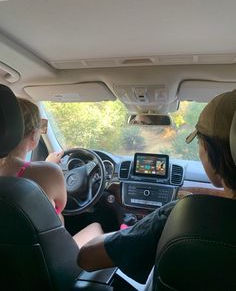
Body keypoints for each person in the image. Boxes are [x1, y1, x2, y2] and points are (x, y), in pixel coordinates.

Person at [78, 89, 236, 283]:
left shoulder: (182, 215)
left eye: (199, 142)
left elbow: (86, 258)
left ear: (209, 151)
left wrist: (129, 232)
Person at [0, 97, 103, 248]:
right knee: (96, 228)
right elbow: (60, 206)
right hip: (46, 263)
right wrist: (47, 167)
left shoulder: (45, 171)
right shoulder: (49, 173)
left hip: (7, 264)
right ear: (34, 136)